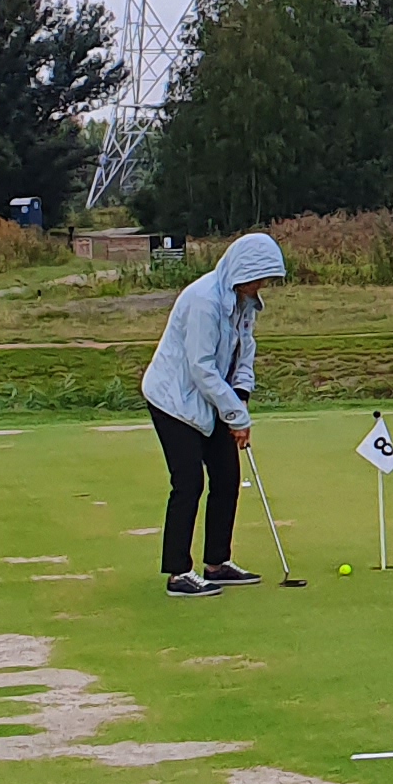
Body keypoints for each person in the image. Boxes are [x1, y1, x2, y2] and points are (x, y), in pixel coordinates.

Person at [141, 231, 287, 598]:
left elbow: (245, 354)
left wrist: (240, 400)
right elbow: (201, 367)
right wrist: (236, 416)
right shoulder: (204, 300)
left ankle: (217, 563)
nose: (262, 285)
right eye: (259, 277)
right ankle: (178, 573)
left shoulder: (245, 302)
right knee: (188, 482)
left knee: (226, 478)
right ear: (242, 270)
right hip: (173, 400)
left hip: (212, 397)